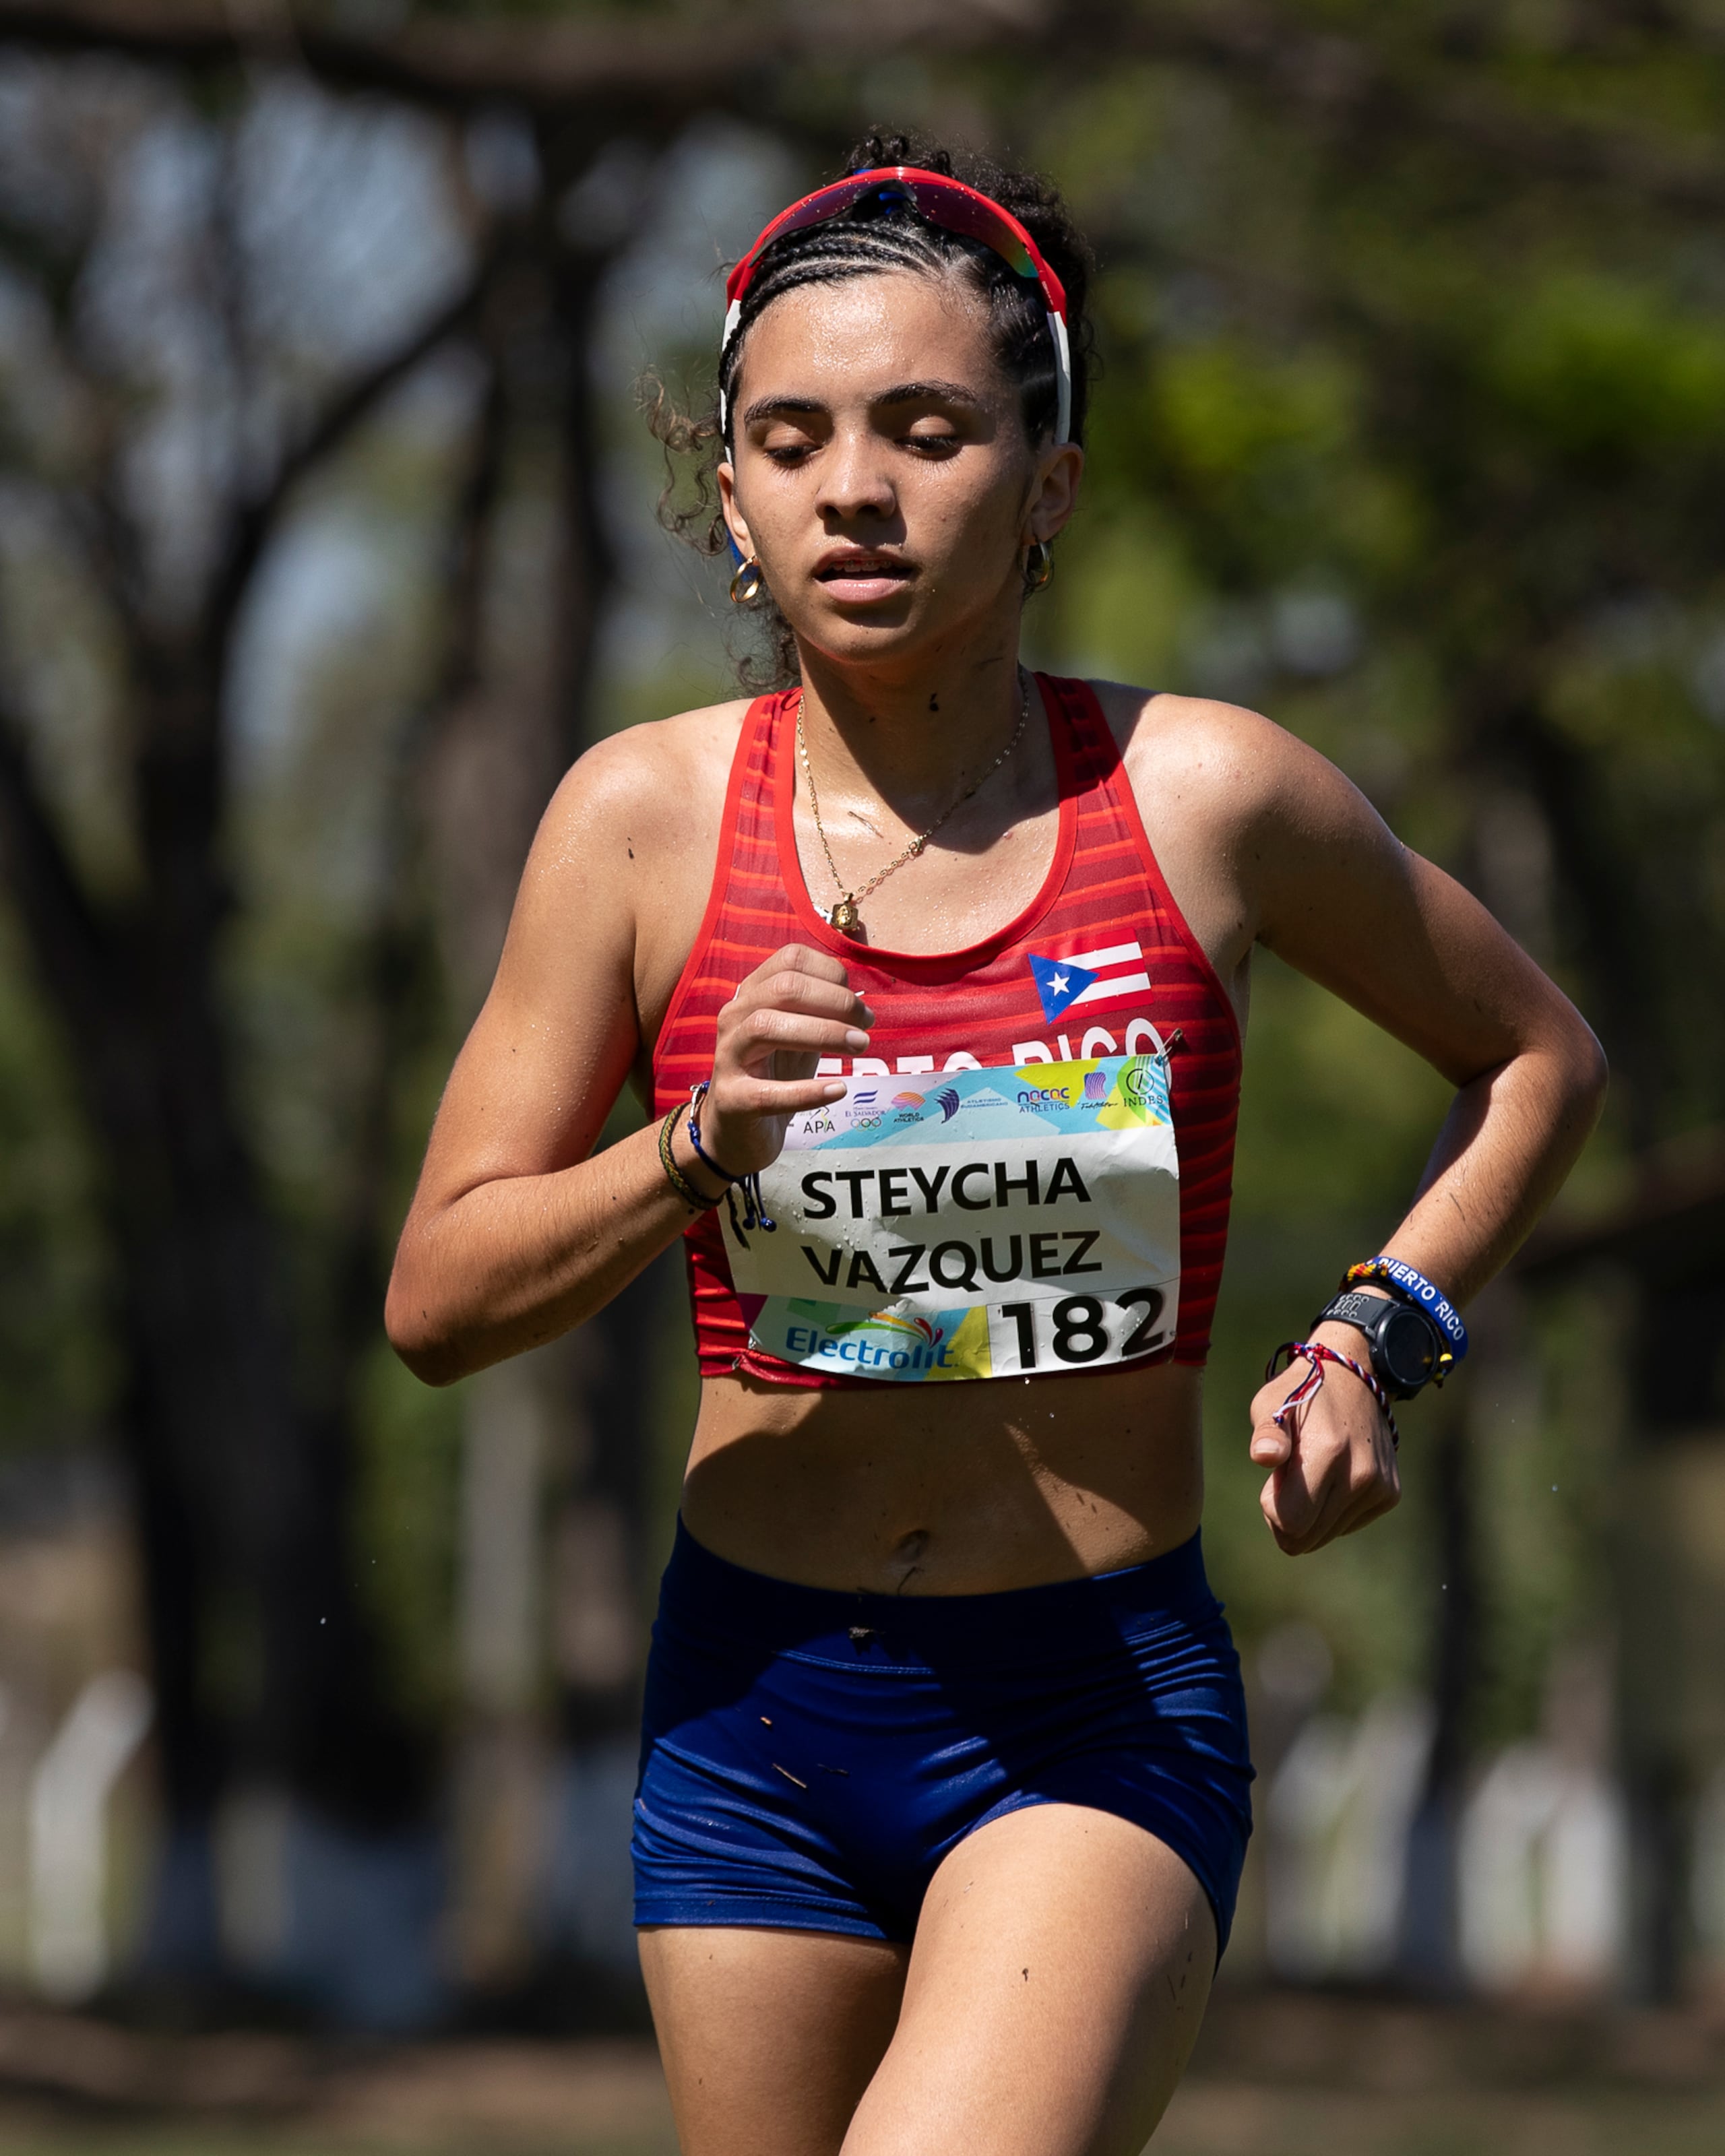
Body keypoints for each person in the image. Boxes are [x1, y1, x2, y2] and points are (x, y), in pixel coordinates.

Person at [387, 132, 1606, 2156]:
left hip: (1087, 1711)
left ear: (1047, 488)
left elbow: (1538, 1058)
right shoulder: (639, 823)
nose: (853, 486)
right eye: (788, 439)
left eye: (925, 428)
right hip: (752, 1714)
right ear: (731, 499)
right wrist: (691, 1144)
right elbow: (438, 1299)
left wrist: (1380, 1333)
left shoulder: (1210, 795)